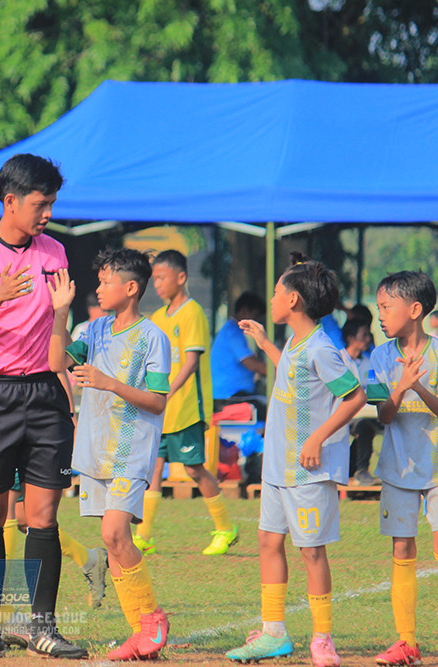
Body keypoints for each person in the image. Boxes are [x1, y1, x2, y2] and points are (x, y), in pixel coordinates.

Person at [0, 153, 86, 659]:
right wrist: (1, 294)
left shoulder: (55, 253)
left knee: (44, 515)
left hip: (45, 394)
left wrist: (62, 314)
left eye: (51, 203)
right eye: (39, 203)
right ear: (10, 201)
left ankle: (43, 628)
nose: (47, 213)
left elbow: (57, 351)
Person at [227, 252, 365, 666]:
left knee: (311, 552)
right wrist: (266, 344)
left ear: (294, 301)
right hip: (277, 468)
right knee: (269, 541)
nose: (270, 298)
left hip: (307, 469)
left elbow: (354, 396)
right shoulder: (295, 341)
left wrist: (319, 437)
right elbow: (289, 371)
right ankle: (273, 633)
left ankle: (322, 639)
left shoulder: (322, 348)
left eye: (275, 292)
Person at [49, 249, 171, 661]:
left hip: (129, 451)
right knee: (117, 544)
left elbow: (157, 401)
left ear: (131, 288)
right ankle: (140, 634)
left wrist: (109, 382)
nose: (98, 288)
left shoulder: (154, 337)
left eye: (106, 282)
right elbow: (57, 361)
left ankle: (152, 620)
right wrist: (60, 315)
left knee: (113, 534)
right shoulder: (93, 329)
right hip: (94, 451)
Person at [368, 271, 438, 667]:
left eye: (386, 307)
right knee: (402, 547)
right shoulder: (381, 357)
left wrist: (418, 387)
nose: (379, 315)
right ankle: (407, 642)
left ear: (414, 310)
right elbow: (384, 415)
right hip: (398, 466)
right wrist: (400, 386)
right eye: (379, 307)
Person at [137, 250, 236, 557]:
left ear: (181, 277)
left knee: (193, 469)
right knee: (154, 469)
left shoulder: (192, 313)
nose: (157, 284)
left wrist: (164, 393)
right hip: (162, 410)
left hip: (186, 408)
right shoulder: (156, 318)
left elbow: (190, 362)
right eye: (154, 279)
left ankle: (224, 529)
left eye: (162, 278)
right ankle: (144, 536)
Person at [340, 319, 379, 486]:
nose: (368, 339)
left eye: (368, 335)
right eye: (363, 335)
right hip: (343, 413)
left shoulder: (369, 363)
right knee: (364, 426)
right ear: (350, 338)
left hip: (365, 411)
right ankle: (360, 471)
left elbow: (373, 386)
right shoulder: (338, 360)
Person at [211, 291, 267, 403]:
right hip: (229, 395)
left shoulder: (231, 330)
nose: (256, 322)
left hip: (230, 394)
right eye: (255, 316)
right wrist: (278, 370)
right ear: (245, 311)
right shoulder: (233, 332)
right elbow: (251, 364)